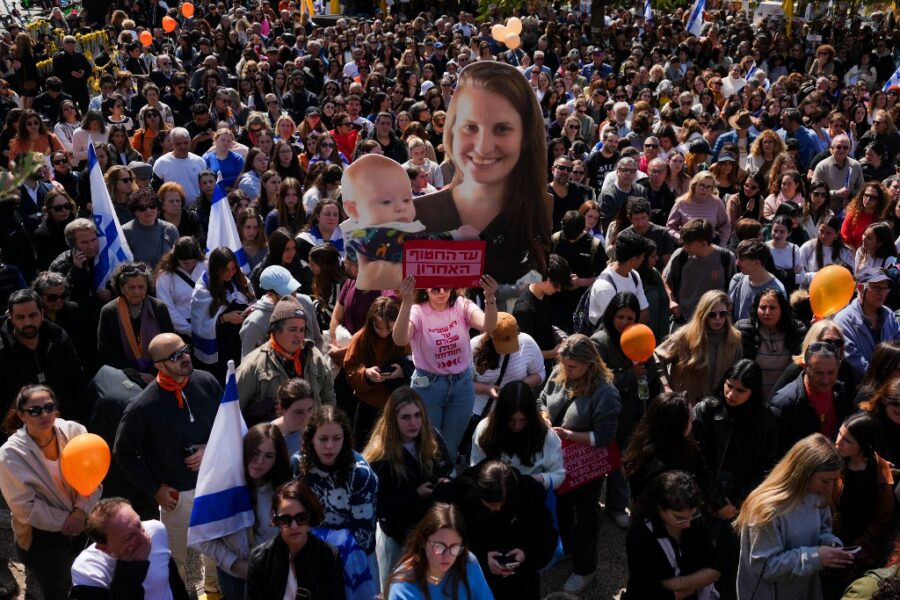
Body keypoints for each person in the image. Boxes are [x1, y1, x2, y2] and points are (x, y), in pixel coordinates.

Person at [412, 60, 551, 285]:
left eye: (502, 128)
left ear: (525, 136)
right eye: (470, 127)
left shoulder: (539, 209)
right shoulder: (421, 215)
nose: (483, 147)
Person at [112, 333, 220, 582]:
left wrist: (208, 448)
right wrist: (153, 488)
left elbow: (227, 422)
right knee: (177, 559)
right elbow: (123, 451)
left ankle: (214, 590)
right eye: (175, 356)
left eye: (185, 350)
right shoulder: (143, 406)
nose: (185, 357)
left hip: (213, 483)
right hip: (177, 496)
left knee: (216, 547)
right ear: (159, 365)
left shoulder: (207, 381)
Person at [0, 384, 101, 600]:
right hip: (41, 535)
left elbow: (95, 477)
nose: (44, 414)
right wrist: (68, 521)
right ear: (21, 415)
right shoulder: (10, 454)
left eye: (49, 407)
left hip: (81, 519)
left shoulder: (76, 432)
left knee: (84, 577)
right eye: (35, 410)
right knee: (56, 588)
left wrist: (81, 512)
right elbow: (24, 507)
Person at [539, 334, 621, 594]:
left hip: (587, 465)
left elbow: (604, 437)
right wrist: (544, 418)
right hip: (558, 460)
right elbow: (542, 399)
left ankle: (585, 568)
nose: (566, 371)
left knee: (585, 516)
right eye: (564, 365)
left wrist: (569, 436)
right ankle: (568, 549)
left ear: (590, 365)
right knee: (562, 508)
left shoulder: (606, 393)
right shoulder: (558, 373)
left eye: (572, 367)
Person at [392, 275, 499, 461]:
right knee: (426, 445)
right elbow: (400, 339)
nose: (441, 292)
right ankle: (427, 483)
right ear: (425, 289)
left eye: (446, 287)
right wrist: (407, 301)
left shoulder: (461, 305)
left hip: (462, 384)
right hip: (428, 386)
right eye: (435, 288)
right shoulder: (418, 311)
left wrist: (489, 296)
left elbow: (488, 325)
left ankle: (444, 481)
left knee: (449, 447)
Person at [734, 433, 853, 600]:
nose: (830, 488)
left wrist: (830, 545)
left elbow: (823, 530)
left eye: (834, 481)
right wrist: (816, 557)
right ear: (803, 473)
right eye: (825, 481)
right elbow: (766, 567)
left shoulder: (817, 495)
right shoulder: (766, 509)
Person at [362, 387, 453, 587]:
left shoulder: (430, 437)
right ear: (393, 420)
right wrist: (415, 494)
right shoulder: (380, 458)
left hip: (430, 532)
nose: (413, 423)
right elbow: (378, 507)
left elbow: (445, 466)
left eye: (417, 415)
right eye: (405, 417)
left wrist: (443, 481)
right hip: (396, 539)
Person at [192, 423, 291, 600]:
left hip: (273, 575)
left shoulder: (283, 492)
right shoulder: (222, 489)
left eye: (269, 456)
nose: (260, 461)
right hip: (234, 578)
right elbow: (200, 538)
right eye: (255, 452)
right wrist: (236, 564)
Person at [432, 460, 557, 600]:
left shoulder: (527, 493)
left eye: (503, 504)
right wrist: (479, 559)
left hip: (521, 579)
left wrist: (526, 553)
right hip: (476, 579)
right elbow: (444, 543)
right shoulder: (459, 495)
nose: (497, 509)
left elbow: (546, 537)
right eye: (491, 504)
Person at [295, 406, 378, 566]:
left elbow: (363, 536)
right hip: (306, 555)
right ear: (311, 438)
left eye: (337, 438)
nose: (330, 446)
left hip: (354, 559)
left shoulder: (361, 474)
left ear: (344, 439)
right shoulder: (296, 466)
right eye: (323, 439)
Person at [622, 471, 721, 600]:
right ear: (660, 507)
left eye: (692, 515)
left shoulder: (694, 520)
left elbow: (715, 570)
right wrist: (696, 583)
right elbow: (649, 591)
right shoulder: (640, 536)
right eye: (678, 517)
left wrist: (679, 583)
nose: (687, 524)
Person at [237, 295, 334, 426]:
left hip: (310, 438)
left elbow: (328, 396)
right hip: (275, 441)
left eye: (302, 330)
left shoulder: (314, 356)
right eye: (292, 330)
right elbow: (233, 411)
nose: (299, 336)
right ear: (276, 330)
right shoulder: (252, 365)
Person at [243, 480, 345, 599]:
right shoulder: (260, 559)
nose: (294, 526)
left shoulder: (329, 556)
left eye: (301, 517)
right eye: (286, 519)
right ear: (275, 520)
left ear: (311, 517)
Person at [70, 498, 189, 599]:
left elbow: (174, 584)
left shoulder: (155, 530)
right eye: (129, 537)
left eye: (139, 525)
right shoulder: (87, 570)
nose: (143, 537)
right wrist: (131, 569)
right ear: (104, 548)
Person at [0, 289, 86, 421]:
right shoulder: (3, 351)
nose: (27, 323)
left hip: (62, 421)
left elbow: (75, 379)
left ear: (42, 313)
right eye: (20, 317)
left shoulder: (58, 337)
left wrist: (77, 417)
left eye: (32, 315)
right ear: (11, 318)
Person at [830, 413, 895, 582]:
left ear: (864, 446)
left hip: (865, 547)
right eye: (839, 434)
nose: (838, 442)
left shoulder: (879, 470)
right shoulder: (832, 463)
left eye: (848, 440)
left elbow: (883, 515)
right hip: (832, 539)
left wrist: (864, 541)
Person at [385, 502, 493, 600]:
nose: (447, 555)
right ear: (423, 542)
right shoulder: (404, 585)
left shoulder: (468, 562)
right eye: (439, 547)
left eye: (454, 547)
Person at [471, 379, 565, 490]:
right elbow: (475, 469)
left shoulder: (546, 436)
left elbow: (559, 475)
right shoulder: (484, 429)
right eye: (511, 420)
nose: (517, 425)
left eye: (523, 420)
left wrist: (534, 480)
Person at [343, 296, 412, 447]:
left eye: (389, 328)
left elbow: (418, 366)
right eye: (379, 328)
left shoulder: (404, 336)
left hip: (397, 405)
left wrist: (403, 371)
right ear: (371, 324)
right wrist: (366, 374)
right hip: (368, 407)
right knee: (365, 449)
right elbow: (350, 367)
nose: (384, 333)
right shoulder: (361, 338)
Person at [654, 290, 743, 405]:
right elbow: (656, 356)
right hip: (686, 405)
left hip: (716, 407)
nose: (718, 318)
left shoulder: (735, 339)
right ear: (703, 313)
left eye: (722, 314)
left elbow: (736, 375)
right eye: (712, 314)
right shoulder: (684, 336)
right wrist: (666, 387)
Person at [769, 341, 853, 457]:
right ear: (805, 367)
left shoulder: (841, 393)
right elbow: (774, 452)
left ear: (838, 366)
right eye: (818, 373)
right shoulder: (784, 403)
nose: (826, 380)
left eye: (831, 373)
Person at [98, 262, 175, 385]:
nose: (137, 292)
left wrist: (158, 371)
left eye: (141, 287)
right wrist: (134, 373)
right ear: (122, 288)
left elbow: (170, 343)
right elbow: (106, 351)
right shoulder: (109, 311)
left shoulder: (158, 307)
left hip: (159, 372)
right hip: (124, 376)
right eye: (131, 287)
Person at [190, 247, 254, 383]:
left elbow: (252, 300)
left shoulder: (240, 279)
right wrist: (225, 318)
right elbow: (201, 321)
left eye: (233, 268)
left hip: (241, 340)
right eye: (226, 270)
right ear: (216, 268)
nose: (230, 273)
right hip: (221, 348)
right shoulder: (203, 289)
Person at [735, 288, 807, 398]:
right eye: (763, 307)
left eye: (772, 308)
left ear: (782, 309)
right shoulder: (745, 331)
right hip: (753, 400)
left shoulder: (796, 331)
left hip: (786, 400)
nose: (767, 312)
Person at [662, 218, 736, 324]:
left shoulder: (727, 258)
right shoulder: (680, 256)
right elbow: (665, 278)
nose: (685, 247)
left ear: (704, 243)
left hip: (715, 321)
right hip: (685, 321)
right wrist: (671, 301)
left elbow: (732, 290)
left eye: (688, 244)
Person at [834, 268, 900, 381]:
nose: (882, 293)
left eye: (885, 288)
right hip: (861, 388)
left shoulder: (889, 314)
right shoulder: (843, 321)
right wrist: (883, 381)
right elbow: (856, 362)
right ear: (860, 288)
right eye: (877, 288)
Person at [153, 238, 206, 340]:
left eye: (193, 262)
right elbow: (167, 308)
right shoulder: (165, 275)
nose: (189, 266)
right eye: (185, 263)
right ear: (176, 258)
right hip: (181, 326)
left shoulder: (205, 266)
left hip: (208, 321)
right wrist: (188, 330)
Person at [728, 240, 786, 322]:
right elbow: (729, 310)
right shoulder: (737, 280)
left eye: (741, 260)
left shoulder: (777, 289)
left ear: (756, 264)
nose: (737, 263)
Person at [121, 187, 179, 269]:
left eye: (152, 206)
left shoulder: (170, 229)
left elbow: (178, 260)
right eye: (142, 207)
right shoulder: (125, 232)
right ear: (135, 211)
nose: (148, 210)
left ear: (158, 209)